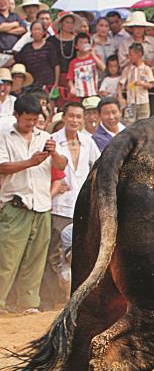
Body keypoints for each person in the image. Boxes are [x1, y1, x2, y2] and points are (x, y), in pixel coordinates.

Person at [0, 94, 66, 315]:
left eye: (35, 119)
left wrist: (54, 152)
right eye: (27, 119)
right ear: (16, 115)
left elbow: (62, 165)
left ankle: (27, 303)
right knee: (6, 259)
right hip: (15, 205)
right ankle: (1, 302)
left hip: (41, 205)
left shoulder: (46, 137)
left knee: (36, 259)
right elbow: (2, 167)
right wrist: (31, 162)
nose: (31, 123)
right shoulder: (4, 136)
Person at [42, 101, 100, 309]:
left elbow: (97, 166)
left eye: (78, 117)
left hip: (82, 206)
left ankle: (75, 299)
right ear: (63, 117)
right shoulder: (53, 141)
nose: (75, 120)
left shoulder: (88, 141)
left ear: (83, 120)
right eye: (71, 116)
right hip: (58, 205)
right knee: (54, 254)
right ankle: (50, 300)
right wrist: (54, 184)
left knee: (81, 253)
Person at [117, 43, 154, 124]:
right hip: (130, 101)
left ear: (139, 55)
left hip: (143, 101)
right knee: (129, 122)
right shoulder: (127, 69)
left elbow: (151, 85)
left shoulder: (146, 69)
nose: (129, 57)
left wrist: (142, 84)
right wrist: (120, 97)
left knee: (144, 122)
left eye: (131, 55)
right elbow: (120, 83)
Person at [67, 32, 105, 99]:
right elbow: (70, 78)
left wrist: (93, 54)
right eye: (81, 43)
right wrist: (72, 88)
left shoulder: (94, 58)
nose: (84, 45)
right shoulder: (73, 62)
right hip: (80, 94)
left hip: (93, 92)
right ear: (76, 46)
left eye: (86, 42)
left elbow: (103, 67)